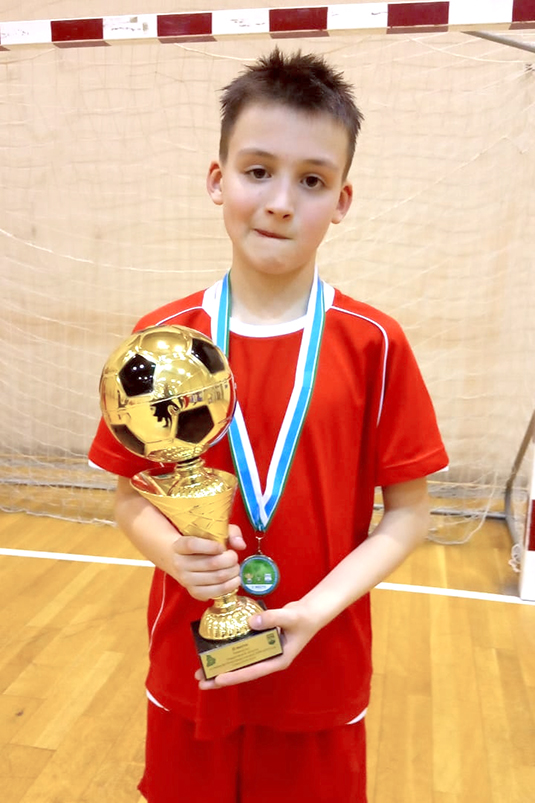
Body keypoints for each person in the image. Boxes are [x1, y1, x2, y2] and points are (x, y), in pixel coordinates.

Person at [89, 48, 448, 803]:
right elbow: (126, 498)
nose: (281, 201)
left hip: (321, 661)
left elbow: (409, 514)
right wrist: (175, 554)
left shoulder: (373, 343)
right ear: (217, 180)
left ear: (342, 200)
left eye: (311, 181)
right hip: (190, 657)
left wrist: (312, 612)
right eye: (258, 171)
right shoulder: (162, 341)